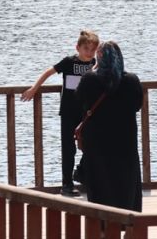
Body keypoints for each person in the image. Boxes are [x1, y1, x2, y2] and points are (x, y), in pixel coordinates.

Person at [21, 29, 99, 196]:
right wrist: (34, 88)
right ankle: (67, 185)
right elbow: (48, 72)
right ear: (77, 47)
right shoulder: (69, 62)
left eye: (93, 50)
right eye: (86, 49)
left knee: (94, 144)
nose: (90, 53)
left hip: (88, 113)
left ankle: (84, 175)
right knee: (68, 149)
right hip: (69, 112)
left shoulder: (95, 65)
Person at [75, 40, 144, 210]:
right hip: (125, 141)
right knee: (125, 181)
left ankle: (102, 226)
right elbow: (137, 105)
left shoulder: (90, 79)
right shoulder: (131, 80)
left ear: (99, 58)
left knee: (99, 182)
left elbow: (80, 101)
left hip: (97, 142)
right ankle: (127, 220)